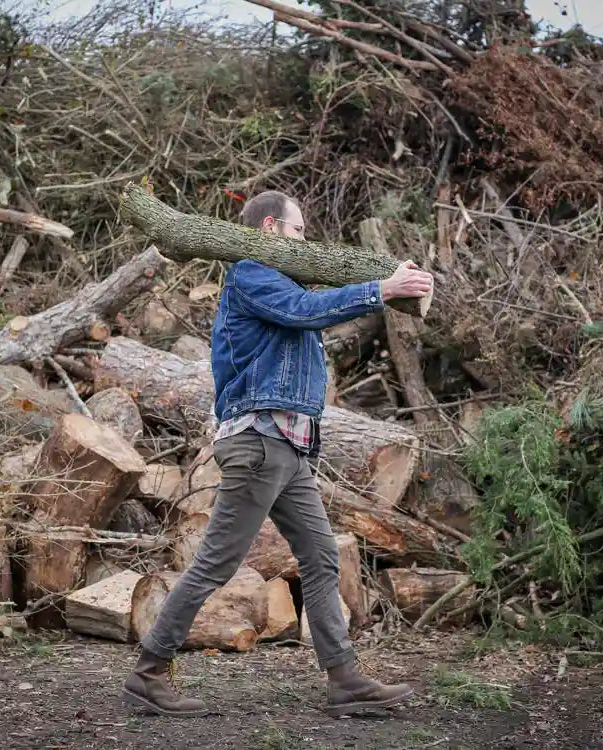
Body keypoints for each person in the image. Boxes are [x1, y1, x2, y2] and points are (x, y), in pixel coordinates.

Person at [122, 190, 434, 718]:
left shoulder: (278, 276)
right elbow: (305, 310)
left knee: (320, 555)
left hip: (287, 449)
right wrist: (381, 289)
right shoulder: (251, 273)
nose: (304, 240)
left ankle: (344, 680)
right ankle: (149, 672)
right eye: (298, 231)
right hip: (259, 443)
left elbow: (307, 314)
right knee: (216, 563)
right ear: (269, 228)